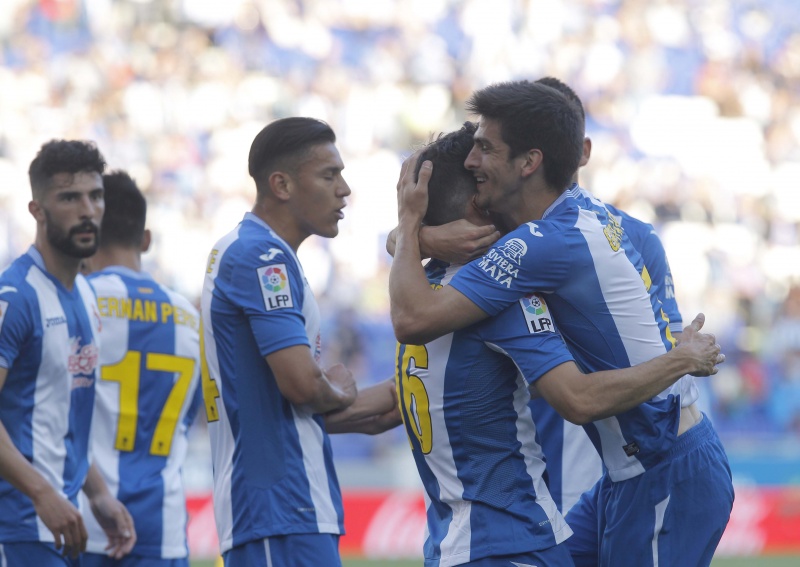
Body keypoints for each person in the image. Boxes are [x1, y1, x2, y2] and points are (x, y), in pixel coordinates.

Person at [390, 81, 734, 566]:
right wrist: (420, 237)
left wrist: (411, 227)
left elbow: (412, 317)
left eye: (486, 148)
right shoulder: (578, 221)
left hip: (665, 468)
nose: (472, 160)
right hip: (623, 475)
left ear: (529, 162)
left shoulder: (542, 242)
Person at [200, 117, 361, 567]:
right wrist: (340, 391)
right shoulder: (260, 256)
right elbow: (303, 386)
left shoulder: (262, 252)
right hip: (278, 508)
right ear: (282, 184)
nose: (344, 189)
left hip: (290, 510)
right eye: (329, 175)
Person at [0, 140, 136, 566]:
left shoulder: (87, 296)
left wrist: (98, 493)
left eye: (96, 196)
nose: (87, 210)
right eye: (69, 198)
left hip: (62, 525)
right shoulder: (15, 297)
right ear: (37, 210)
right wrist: (41, 492)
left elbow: (61, 420)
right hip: (18, 526)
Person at [78, 170, 202, 567]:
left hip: (81, 525)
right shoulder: (191, 318)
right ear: (145, 239)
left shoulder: (77, 302)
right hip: (163, 532)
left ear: (87, 234)